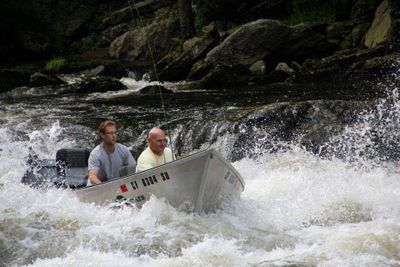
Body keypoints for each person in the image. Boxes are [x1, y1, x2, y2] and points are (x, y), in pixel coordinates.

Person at [88, 120, 136, 185]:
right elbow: (93, 177)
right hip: (98, 186)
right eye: (110, 133)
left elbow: (133, 170)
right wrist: (105, 187)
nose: (114, 136)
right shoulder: (95, 154)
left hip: (117, 185)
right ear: (102, 135)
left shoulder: (123, 150)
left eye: (115, 133)